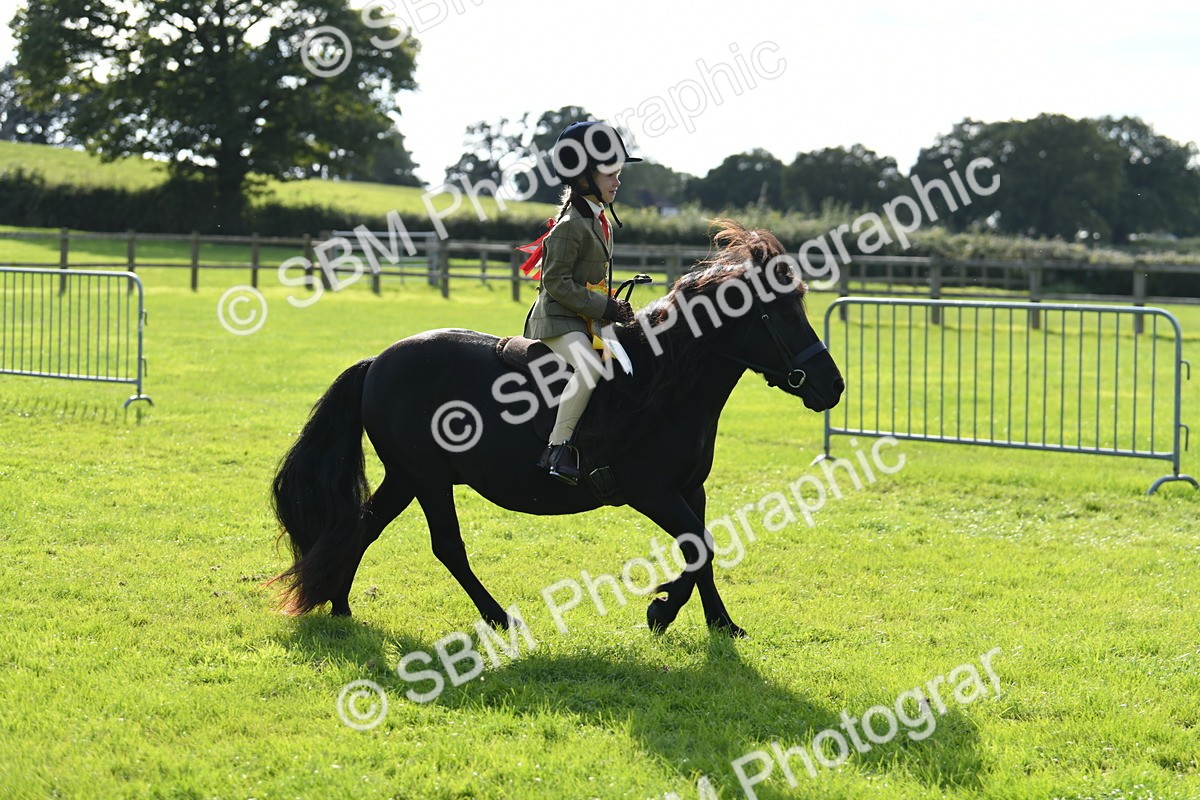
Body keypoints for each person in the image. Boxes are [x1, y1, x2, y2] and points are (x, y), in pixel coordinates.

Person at [519, 121, 641, 485]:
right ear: (585, 177)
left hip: (582, 319)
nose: (617, 182)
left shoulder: (598, 220)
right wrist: (605, 308)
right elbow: (555, 284)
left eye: (619, 174)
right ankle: (557, 450)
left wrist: (614, 305)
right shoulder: (571, 224)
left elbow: (591, 281)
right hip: (555, 321)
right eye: (610, 174)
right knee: (589, 367)